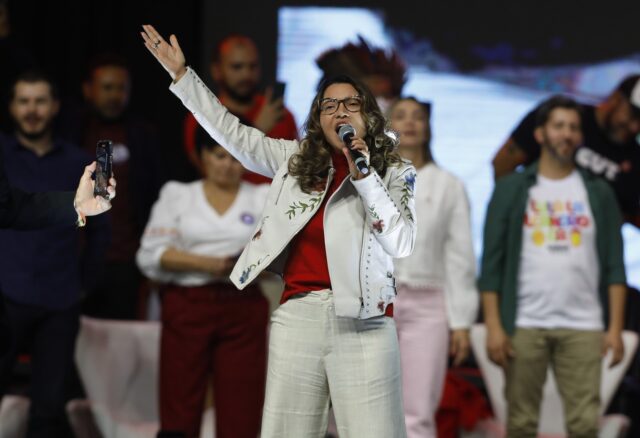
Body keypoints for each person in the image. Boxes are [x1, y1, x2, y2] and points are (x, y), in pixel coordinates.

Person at [141, 24, 416, 438]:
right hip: (298, 315)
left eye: (351, 104)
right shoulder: (294, 161)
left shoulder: (394, 172)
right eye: (329, 105)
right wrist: (183, 77)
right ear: (317, 118)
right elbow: (233, 134)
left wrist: (365, 178)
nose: (340, 112)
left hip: (367, 321)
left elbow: (401, 241)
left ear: (370, 116)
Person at [479, 95, 626, 438]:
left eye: (573, 127)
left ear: (580, 137)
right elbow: (492, 265)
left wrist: (615, 329)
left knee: (584, 426)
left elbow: (614, 265)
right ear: (540, 133)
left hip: (584, 325)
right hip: (524, 324)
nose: (567, 134)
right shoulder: (513, 189)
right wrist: (494, 326)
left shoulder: (599, 192)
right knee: (521, 424)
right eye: (558, 126)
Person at [136, 128, 270, 438]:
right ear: (203, 157)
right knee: (179, 401)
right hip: (188, 302)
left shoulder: (262, 196)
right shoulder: (178, 195)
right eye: (220, 155)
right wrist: (213, 265)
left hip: (243, 305)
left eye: (235, 158)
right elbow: (151, 255)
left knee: (242, 405)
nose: (227, 165)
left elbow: (279, 255)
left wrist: (241, 267)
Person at [0, 71, 110, 438]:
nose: (32, 110)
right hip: (6, 295)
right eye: (23, 101)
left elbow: (99, 227)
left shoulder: (80, 161)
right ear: (11, 107)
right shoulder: (2, 153)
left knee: (49, 410)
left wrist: (84, 284)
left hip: (60, 299)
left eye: (40, 101)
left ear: (56, 107)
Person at [388, 97, 478, 438]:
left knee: (418, 412)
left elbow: (460, 257)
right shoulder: (368, 179)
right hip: (376, 303)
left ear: (428, 127)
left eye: (418, 117)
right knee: (363, 407)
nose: (410, 122)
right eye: (401, 116)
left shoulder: (449, 185)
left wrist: (461, 323)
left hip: (427, 306)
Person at [58, 53, 164, 320]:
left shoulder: (143, 135)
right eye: (107, 87)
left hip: (126, 259)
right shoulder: (69, 133)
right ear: (88, 89)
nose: (115, 95)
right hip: (75, 258)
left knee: (122, 337)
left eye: (121, 88)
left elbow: (155, 196)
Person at [492, 74, 640, 227]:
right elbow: (503, 163)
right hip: (533, 230)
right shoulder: (562, 117)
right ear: (616, 98)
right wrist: (518, 215)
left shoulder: (635, 159)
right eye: (634, 115)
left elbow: (625, 214)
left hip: (585, 240)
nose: (635, 127)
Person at [182, 34, 298, 181]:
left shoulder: (281, 114)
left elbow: (298, 170)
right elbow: (208, 172)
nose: (246, 74)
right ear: (217, 70)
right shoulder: (201, 115)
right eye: (237, 67)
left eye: (252, 66)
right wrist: (257, 128)